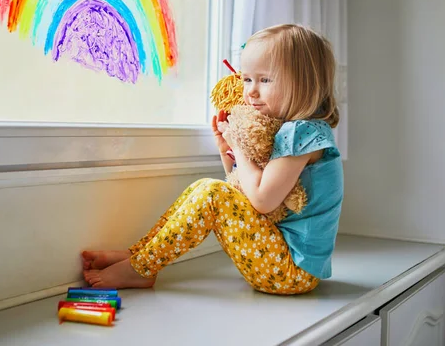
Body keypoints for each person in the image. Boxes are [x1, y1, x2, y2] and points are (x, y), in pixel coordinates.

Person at [82, 24, 343, 295]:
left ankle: (141, 268)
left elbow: (263, 201)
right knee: (203, 189)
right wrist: (225, 149)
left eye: (265, 80)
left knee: (211, 192)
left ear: (304, 84)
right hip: (281, 261)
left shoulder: (303, 133)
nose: (251, 91)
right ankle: (138, 256)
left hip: (292, 271)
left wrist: (239, 146)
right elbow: (242, 190)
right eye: (246, 79)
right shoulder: (293, 131)